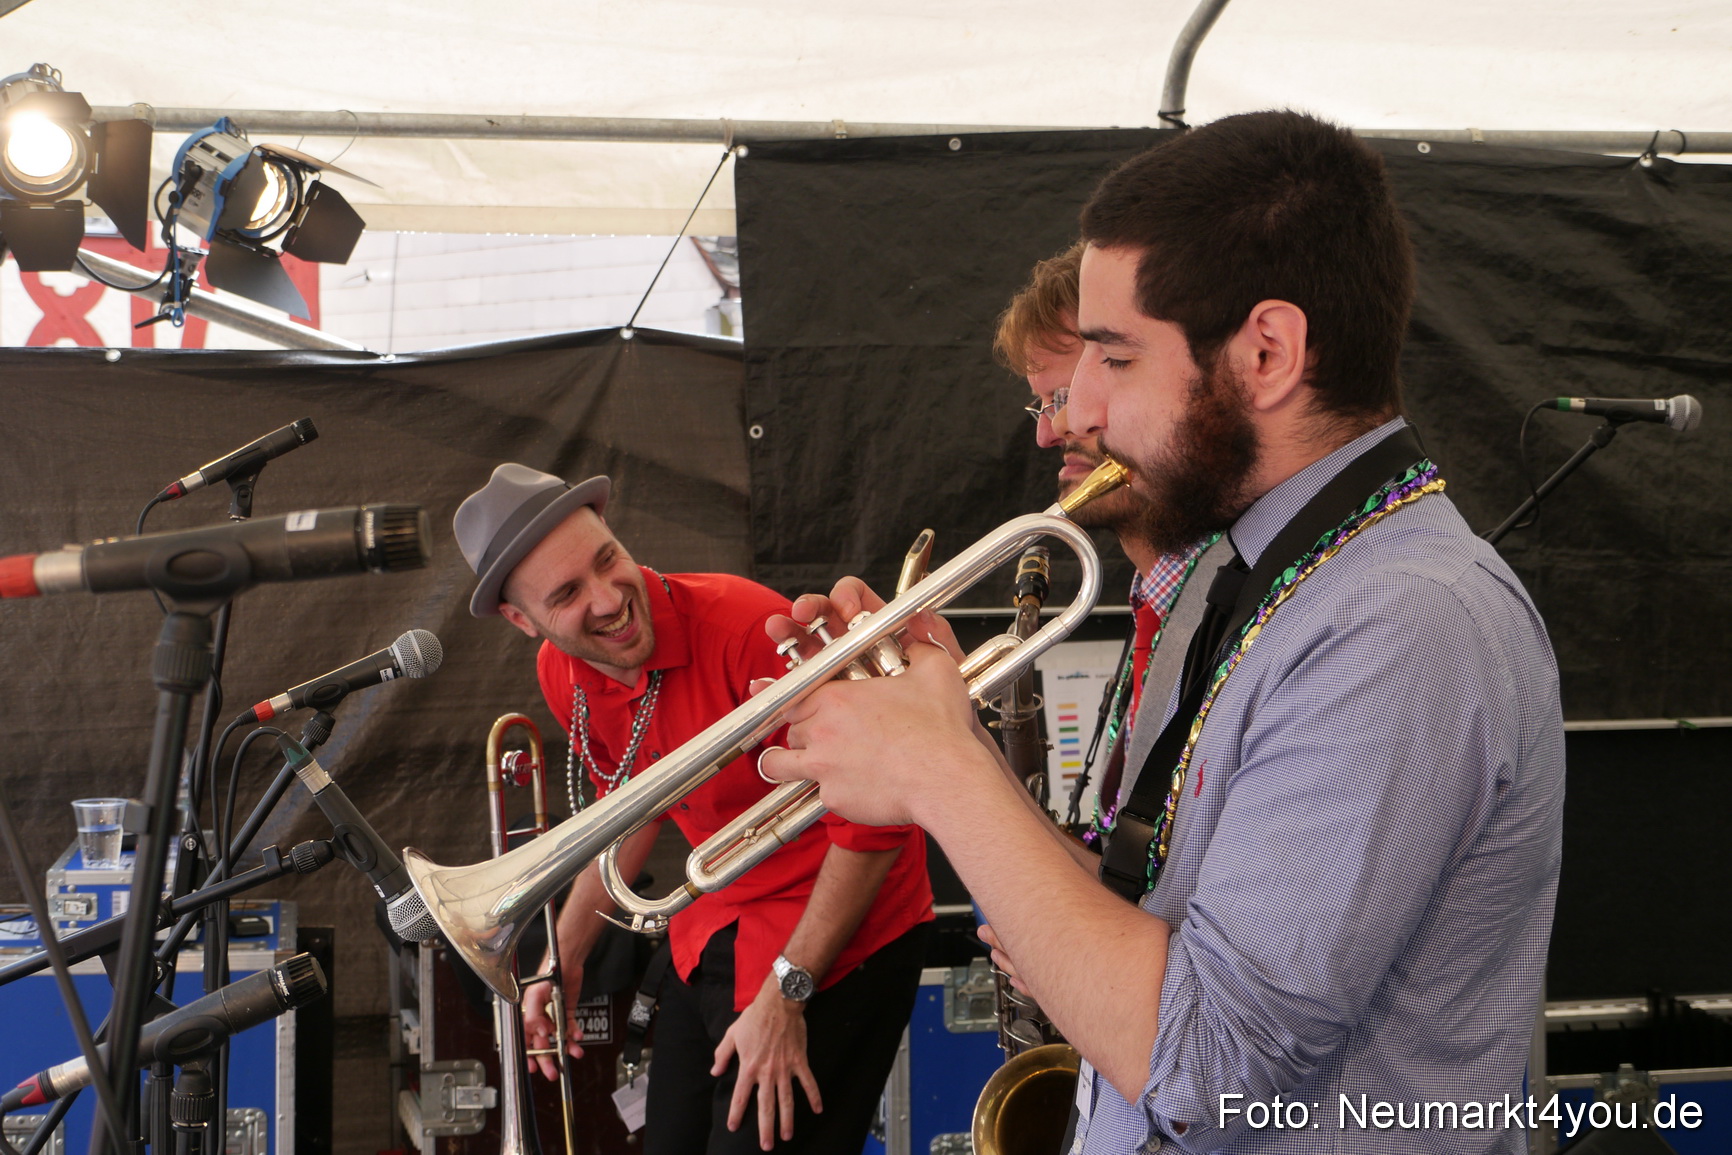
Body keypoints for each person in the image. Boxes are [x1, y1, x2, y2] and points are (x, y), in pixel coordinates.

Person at [764, 111, 1564, 1154]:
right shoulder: (1262, 575)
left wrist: (939, 774)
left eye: (1113, 358)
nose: (1075, 411)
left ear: (1267, 352)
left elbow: (1212, 1073)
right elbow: (1166, 929)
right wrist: (947, 740)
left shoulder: (1401, 622)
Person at [453, 464, 933, 1154]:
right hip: (717, 921)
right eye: (566, 592)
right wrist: (566, 956)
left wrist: (788, 992)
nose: (609, 597)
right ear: (522, 620)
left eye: (607, 558)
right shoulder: (563, 673)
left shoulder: (743, 630)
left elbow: (878, 822)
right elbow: (633, 808)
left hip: (839, 930)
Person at [995, 244, 1230, 841]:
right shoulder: (1161, 593)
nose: (1052, 433)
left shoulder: (1247, 608)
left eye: (1066, 396)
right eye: (1043, 405)